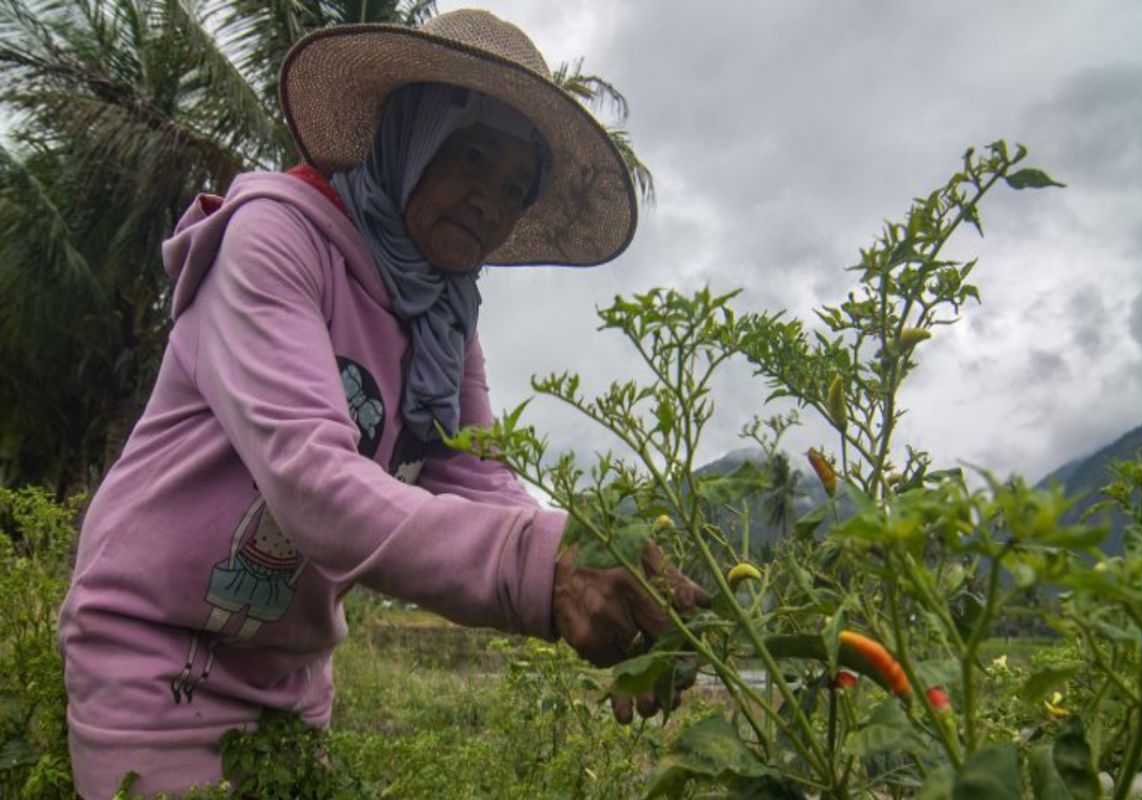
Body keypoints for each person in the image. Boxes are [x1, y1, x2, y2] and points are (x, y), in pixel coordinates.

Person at [58, 10, 704, 799]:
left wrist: (594, 557)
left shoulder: (443, 317)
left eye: (515, 185)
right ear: (413, 136)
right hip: (157, 660)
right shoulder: (273, 240)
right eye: (471, 156)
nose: (490, 203)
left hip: (291, 679)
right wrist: (549, 572)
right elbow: (312, 482)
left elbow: (480, 481)